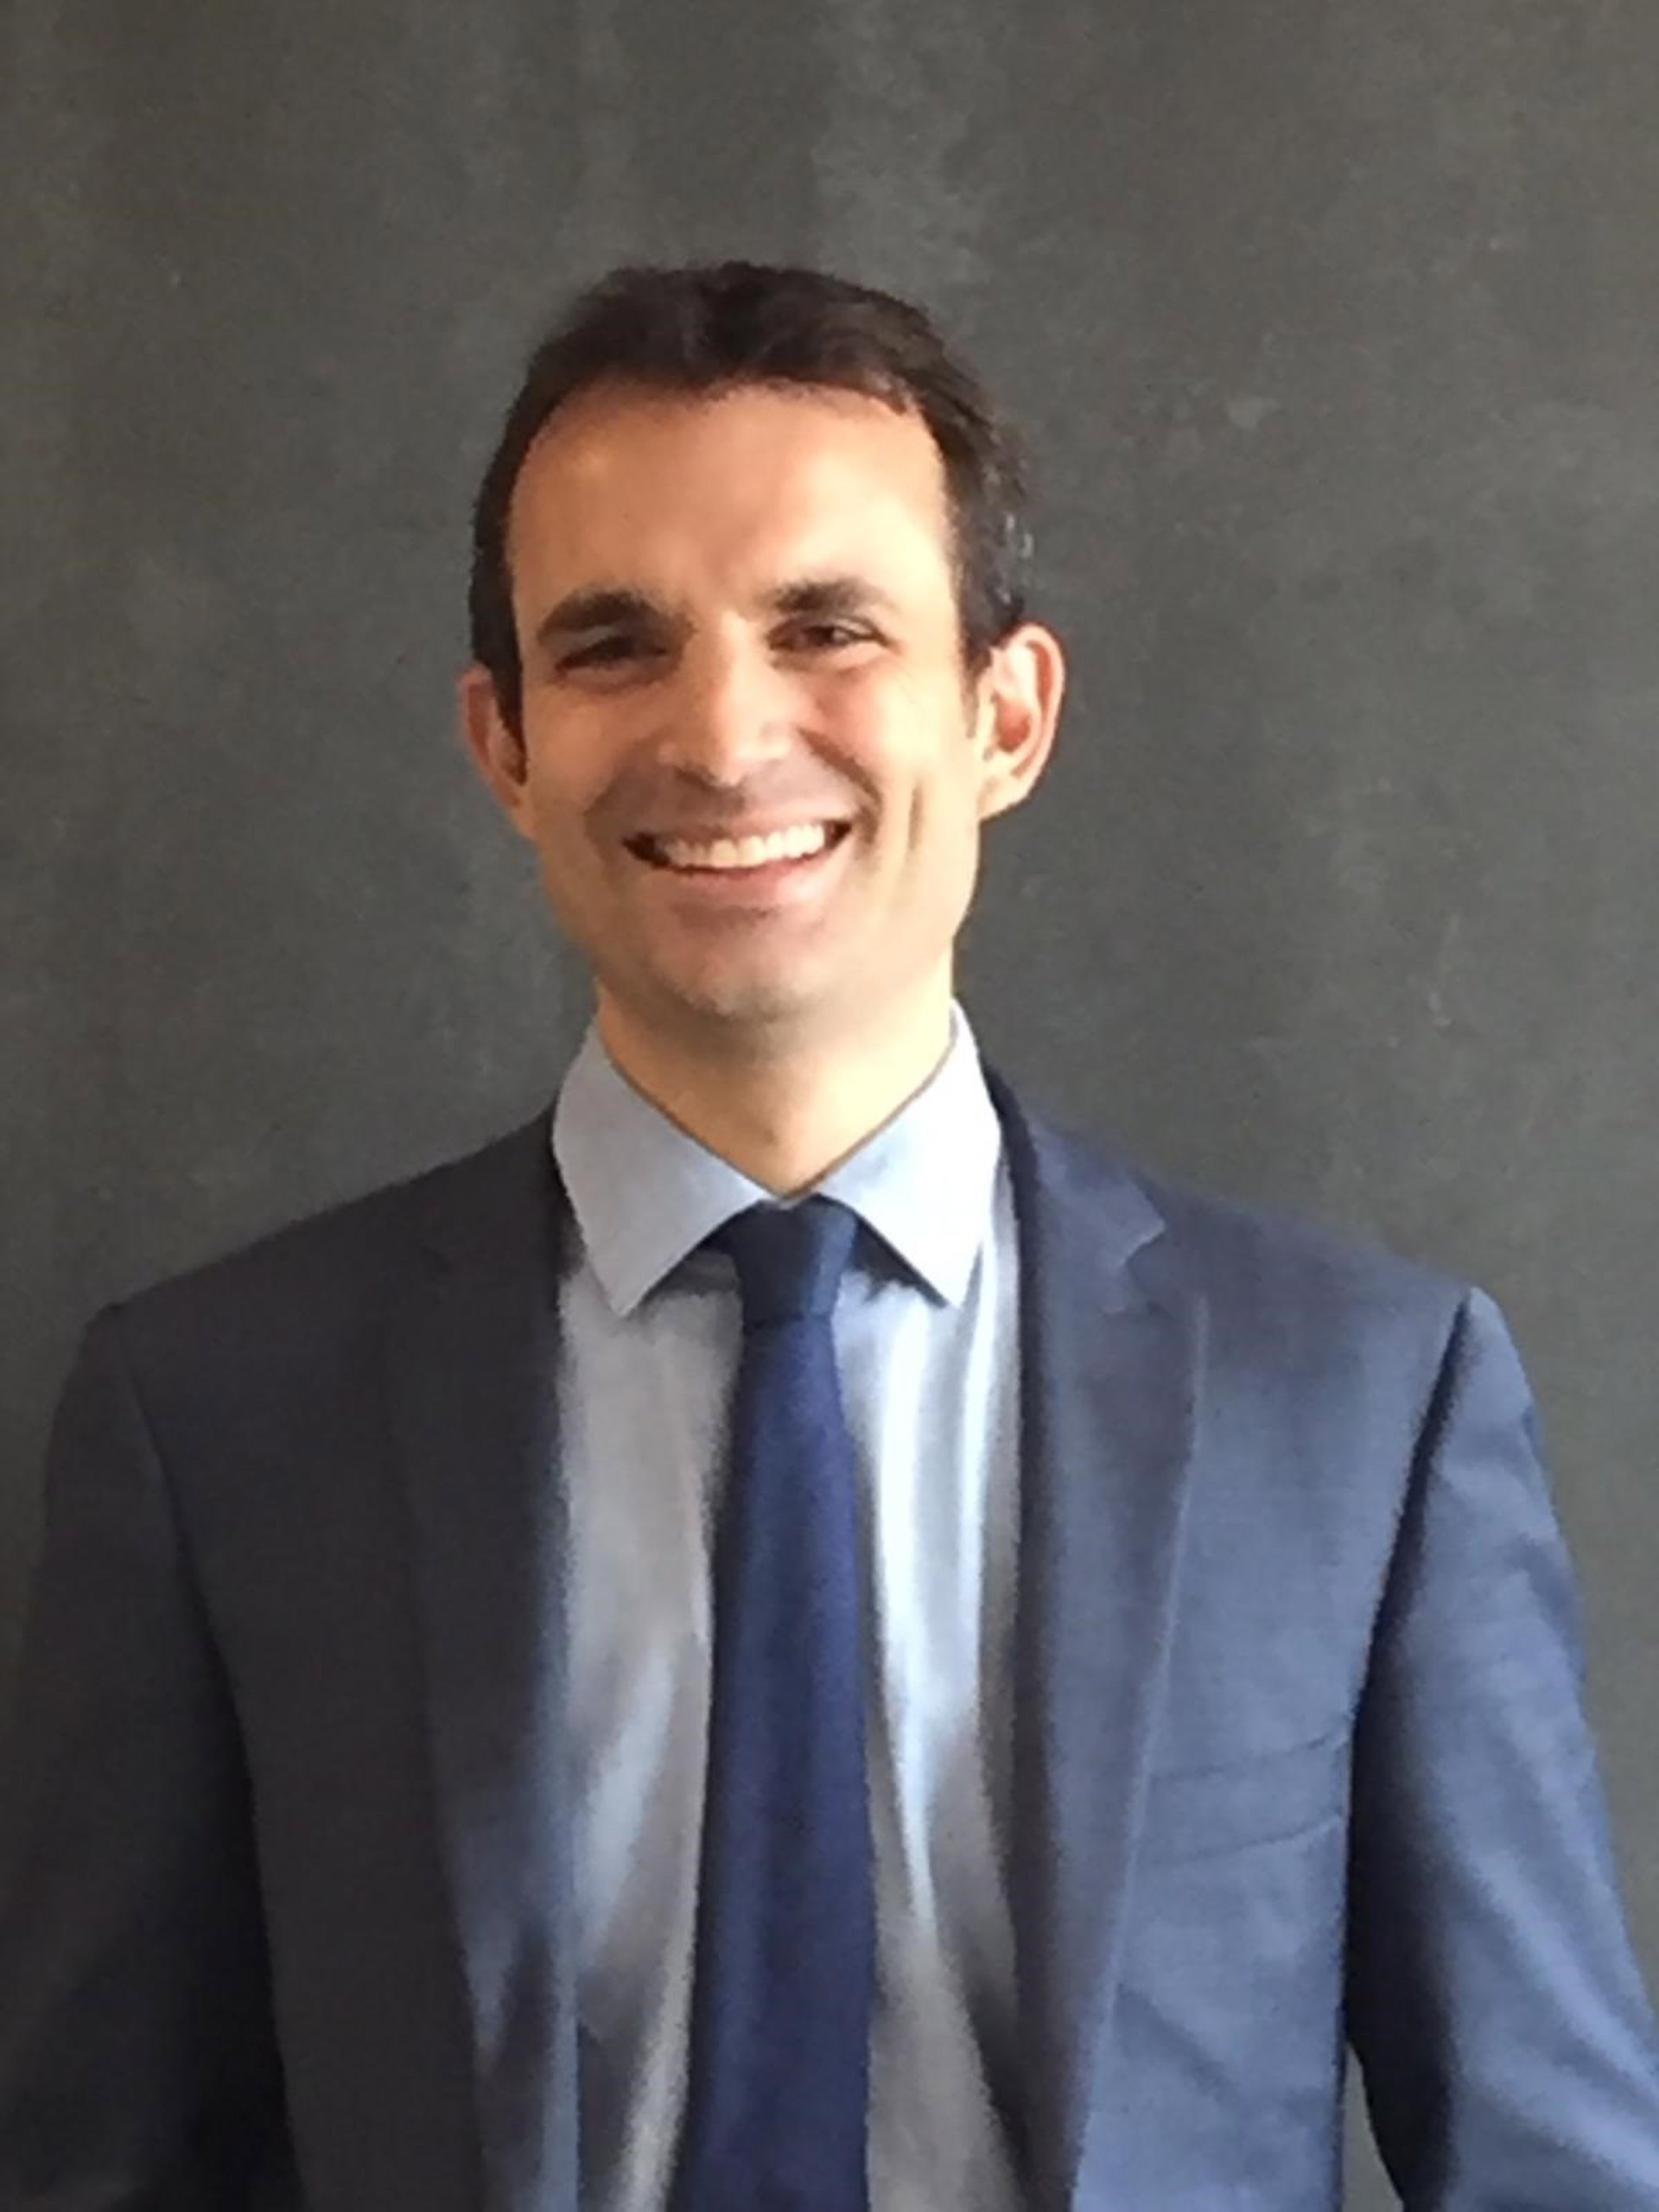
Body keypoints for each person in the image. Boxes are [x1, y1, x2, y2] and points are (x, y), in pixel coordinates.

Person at [2, 261, 1657, 2212]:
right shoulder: (219, 1421)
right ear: (505, 745)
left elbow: (1552, 2166)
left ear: (1006, 714)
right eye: (613, 645)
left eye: (827, 628)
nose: (722, 735)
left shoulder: (1361, 1404)